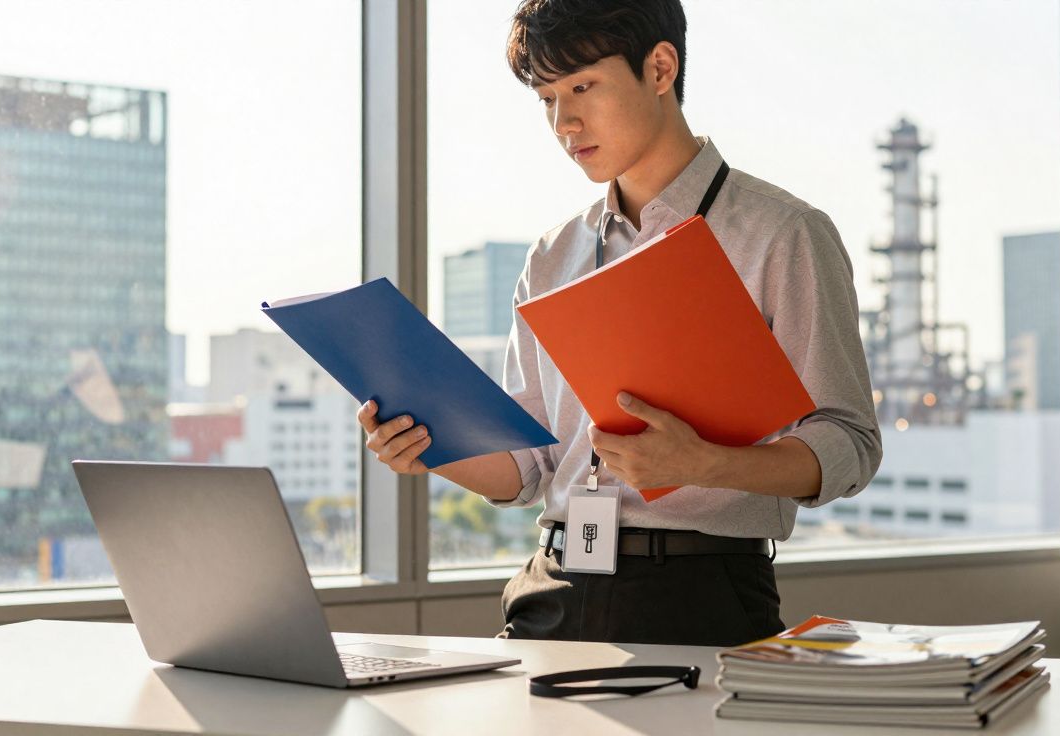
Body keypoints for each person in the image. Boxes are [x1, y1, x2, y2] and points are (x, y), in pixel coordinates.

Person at [357, 0, 881, 647]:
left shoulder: (783, 234)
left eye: (582, 87)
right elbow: (530, 468)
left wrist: (707, 463)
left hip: (700, 591)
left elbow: (849, 443)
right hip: (550, 586)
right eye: (547, 98)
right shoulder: (553, 254)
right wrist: (432, 446)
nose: (564, 122)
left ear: (660, 68)